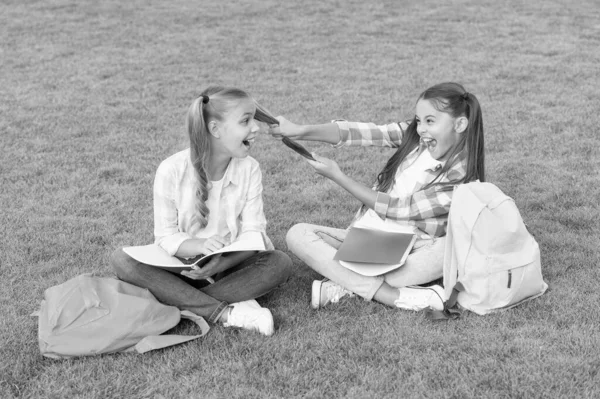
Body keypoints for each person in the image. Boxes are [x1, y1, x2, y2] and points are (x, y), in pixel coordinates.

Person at [269, 82, 484, 312]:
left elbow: (397, 208)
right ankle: (388, 294)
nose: (421, 128)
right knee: (297, 234)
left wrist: (338, 176)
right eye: (419, 120)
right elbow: (359, 132)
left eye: (430, 121)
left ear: (460, 124)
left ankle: (344, 284)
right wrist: (298, 131)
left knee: (448, 250)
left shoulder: (461, 178)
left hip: (413, 249)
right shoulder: (416, 138)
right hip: (367, 240)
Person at [111, 86, 293, 336]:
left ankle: (178, 304)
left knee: (279, 263)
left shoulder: (249, 168)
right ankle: (227, 312)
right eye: (245, 121)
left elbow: (254, 234)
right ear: (215, 129)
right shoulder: (171, 170)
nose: (256, 128)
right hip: (184, 266)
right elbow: (165, 237)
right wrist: (200, 246)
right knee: (123, 260)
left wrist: (220, 263)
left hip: (231, 264)